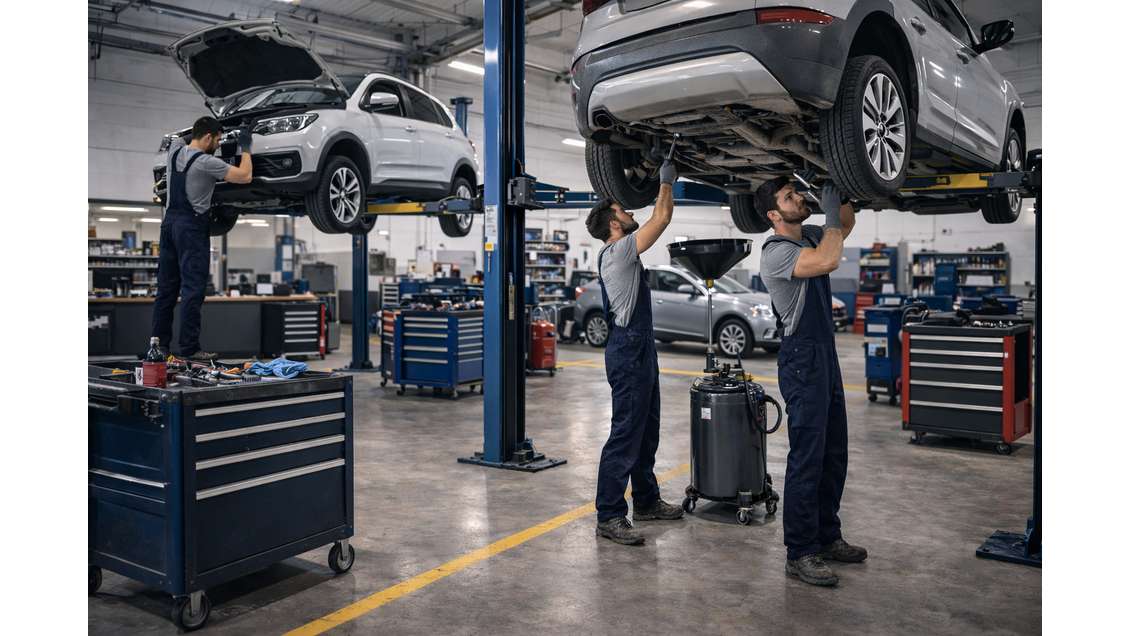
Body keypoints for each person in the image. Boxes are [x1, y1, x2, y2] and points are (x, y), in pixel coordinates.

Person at [756, 176, 867, 587]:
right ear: (774, 214)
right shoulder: (776, 252)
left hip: (825, 355)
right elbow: (828, 260)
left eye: (797, 192)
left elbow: (845, 225)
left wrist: (841, 190)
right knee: (807, 456)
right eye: (790, 197)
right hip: (802, 359)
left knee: (834, 451)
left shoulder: (811, 236)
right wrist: (831, 211)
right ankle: (800, 551)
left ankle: (827, 536)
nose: (799, 197)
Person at [586, 147, 681, 546]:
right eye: (622, 210)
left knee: (646, 430)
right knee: (626, 432)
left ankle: (646, 500)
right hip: (628, 351)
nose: (628, 212)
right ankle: (609, 515)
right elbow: (661, 219)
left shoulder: (621, 253)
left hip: (639, 349)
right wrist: (666, 181)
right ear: (614, 223)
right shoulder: (618, 250)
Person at [150, 116, 253, 361]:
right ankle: (190, 349)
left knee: (166, 290)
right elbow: (245, 176)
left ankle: (159, 346)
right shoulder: (207, 162)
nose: (217, 145)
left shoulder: (174, 152)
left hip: (169, 226)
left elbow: (181, 137)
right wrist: (246, 147)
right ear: (207, 137)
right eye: (217, 140)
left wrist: (216, 125)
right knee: (192, 290)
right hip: (191, 229)